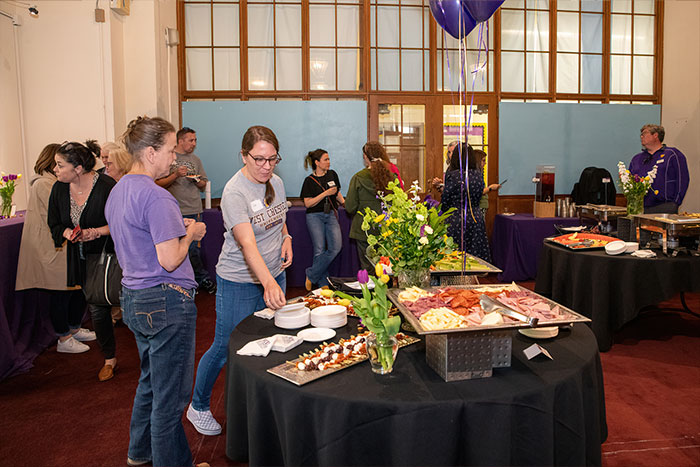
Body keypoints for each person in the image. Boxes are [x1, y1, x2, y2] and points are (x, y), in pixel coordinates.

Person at [105, 116, 207, 467]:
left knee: (150, 383)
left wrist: (180, 230)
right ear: (150, 152)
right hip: (165, 300)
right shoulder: (156, 196)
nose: (174, 158)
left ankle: (140, 452)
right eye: (169, 150)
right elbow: (169, 259)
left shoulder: (118, 191)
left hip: (134, 296)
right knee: (171, 398)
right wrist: (190, 235)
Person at [188, 125, 291, 436]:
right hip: (239, 280)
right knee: (226, 345)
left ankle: (263, 406)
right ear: (244, 156)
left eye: (272, 159)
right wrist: (268, 284)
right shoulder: (235, 192)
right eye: (259, 159)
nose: (266, 166)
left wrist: (287, 237)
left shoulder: (277, 182)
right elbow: (247, 244)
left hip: (275, 273)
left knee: (271, 342)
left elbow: (279, 219)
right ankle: (198, 405)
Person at [15, 143, 95, 353]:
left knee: (75, 290)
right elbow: (66, 210)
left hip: (64, 246)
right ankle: (63, 337)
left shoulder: (54, 183)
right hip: (52, 247)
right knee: (61, 292)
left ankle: (74, 327)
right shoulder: (44, 184)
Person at [48, 140, 117, 379]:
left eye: (59, 165)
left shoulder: (107, 186)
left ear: (78, 168)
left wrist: (96, 231)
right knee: (97, 310)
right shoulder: (58, 189)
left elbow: (121, 223)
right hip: (79, 258)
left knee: (122, 305)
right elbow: (54, 223)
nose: (55, 170)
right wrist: (68, 233)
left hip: (109, 256)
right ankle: (109, 358)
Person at [155, 127, 216, 294]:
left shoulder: (195, 160)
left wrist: (196, 180)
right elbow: (157, 184)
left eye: (195, 140)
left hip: (195, 209)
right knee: (177, 250)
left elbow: (204, 183)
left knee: (194, 249)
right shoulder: (169, 160)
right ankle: (187, 282)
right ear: (180, 141)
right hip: (175, 211)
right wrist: (175, 175)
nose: (194, 143)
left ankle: (198, 281)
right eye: (191, 140)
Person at [345, 141, 396, 271]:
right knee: (386, 268)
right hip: (386, 229)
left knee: (368, 268)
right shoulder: (391, 176)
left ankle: (371, 291)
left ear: (365, 157)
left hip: (364, 229)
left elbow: (350, 207)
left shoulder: (358, 178)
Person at [300, 149, 344, 290]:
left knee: (336, 247)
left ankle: (311, 274)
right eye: (325, 159)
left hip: (330, 214)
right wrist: (325, 193)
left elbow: (337, 194)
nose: (328, 162)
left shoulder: (332, 174)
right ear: (317, 163)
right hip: (314, 216)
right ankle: (323, 283)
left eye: (329, 159)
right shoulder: (309, 181)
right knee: (319, 249)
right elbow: (308, 203)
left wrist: (345, 204)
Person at [441, 144, 491, 262]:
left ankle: (455, 281)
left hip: (456, 219)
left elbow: (445, 200)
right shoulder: (478, 175)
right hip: (475, 217)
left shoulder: (453, 174)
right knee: (475, 260)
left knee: (455, 259)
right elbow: (479, 194)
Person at [629, 124, 690, 214]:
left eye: (644, 133)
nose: (641, 136)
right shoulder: (637, 158)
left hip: (665, 206)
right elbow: (630, 181)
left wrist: (675, 203)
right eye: (641, 135)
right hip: (641, 207)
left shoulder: (672, 154)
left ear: (655, 135)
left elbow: (683, 179)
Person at [475, 150, 501, 219]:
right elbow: (480, 192)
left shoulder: (479, 173)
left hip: (482, 205)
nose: (485, 163)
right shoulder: (475, 175)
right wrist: (491, 188)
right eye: (483, 160)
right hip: (479, 206)